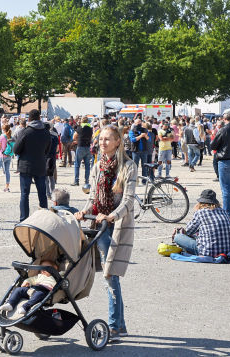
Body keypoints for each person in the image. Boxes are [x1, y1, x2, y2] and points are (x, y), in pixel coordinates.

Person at [74, 124, 137, 338]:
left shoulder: (128, 166)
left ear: (118, 141)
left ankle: (115, 325)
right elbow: (92, 198)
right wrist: (83, 212)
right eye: (101, 139)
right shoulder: (98, 165)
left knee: (111, 276)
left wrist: (111, 216)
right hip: (98, 226)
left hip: (114, 226)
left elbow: (128, 200)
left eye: (108, 139)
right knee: (110, 277)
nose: (103, 142)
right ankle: (120, 326)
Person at [14, 109, 52, 221]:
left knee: (25, 194)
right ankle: (44, 219)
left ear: (29, 119)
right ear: (39, 118)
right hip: (40, 165)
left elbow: (16, 149)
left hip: (26, 165)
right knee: (42, 193)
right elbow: (48, 150)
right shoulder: (46, 132)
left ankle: (24, 219)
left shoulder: (26, 132)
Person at [171, 189, 230, 257]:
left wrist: (181, 231)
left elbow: (188, 231)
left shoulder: (200, 212)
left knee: (177, 237)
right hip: (227, 251)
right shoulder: (223, 212)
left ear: (201, 202)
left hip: (207, 252)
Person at [73, 117, 94, 189]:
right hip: (88, 147)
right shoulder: (90, 128)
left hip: (80, 146)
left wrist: (78, 140)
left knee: (77, 164)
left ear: (82, 121)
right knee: (87, 165)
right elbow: (92, 137)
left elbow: (74, 136)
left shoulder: (80, 127)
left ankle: (76, 181)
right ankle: (86, 181)